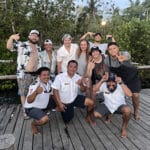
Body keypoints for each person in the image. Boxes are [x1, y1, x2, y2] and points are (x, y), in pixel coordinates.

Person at [6, 29, 41, 119]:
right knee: (23, 94)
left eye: (36, 35)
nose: (34, 37)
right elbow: (9, 47)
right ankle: (25, 111)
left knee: (33, 92)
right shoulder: (22, 44)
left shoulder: (38, 48)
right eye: (32, 35)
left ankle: (32, 109)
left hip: (35, 74)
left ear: (37, 38)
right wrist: (11, 38)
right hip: (23, 74)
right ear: (29, 36)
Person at [104, 42, 141, 120]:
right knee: (112, 92)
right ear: (108, 51)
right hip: (120, 78)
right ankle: (110, 112)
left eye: (114, 48)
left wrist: (122, 60)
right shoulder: (107, 60)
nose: (112, 50)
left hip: (132, 77)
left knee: (135, 95)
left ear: (118, 49)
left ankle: (136, 112)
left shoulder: (124, 54)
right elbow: (108, 72)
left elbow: (129, 62)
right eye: (110, 49)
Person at [51, 60, 95, 124]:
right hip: (65, 102)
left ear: (77, 68)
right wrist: (59, 104)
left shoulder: (78, 77)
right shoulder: (60, 77)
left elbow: (83, 90)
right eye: (71, 66)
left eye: (75, 67)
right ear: (67, 67)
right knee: (68, 120)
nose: (72, 69)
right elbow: (55, 91)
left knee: (91, 102)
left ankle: (88, 117)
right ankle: (59, 107)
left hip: (74, 98)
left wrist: (81, 84)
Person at [93, 73, 132, 138]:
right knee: (95, 114)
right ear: (106, 82)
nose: (111, 84)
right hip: (107, 106)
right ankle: (109, 114)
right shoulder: (103, 85)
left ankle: (124, 128)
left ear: (116, 82)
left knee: (127, 110)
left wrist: (121, 83)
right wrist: (101, 80)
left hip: (119, 107)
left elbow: (130, 94)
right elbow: (93, 89)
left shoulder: (121, 85)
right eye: (109, 82)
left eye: (113, 82)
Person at [24, 67, 53, 134]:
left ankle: (42, 113)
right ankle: (33, 124)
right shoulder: (35, 85)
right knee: (44, 119)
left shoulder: (49, 82)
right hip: (31, 108)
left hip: (42, 106)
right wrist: (36, 92)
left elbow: (51, 94)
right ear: (39, 76)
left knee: (58, 99)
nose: (46, 77)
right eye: (44, 75)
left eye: (48, 75)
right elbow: (29, 100)